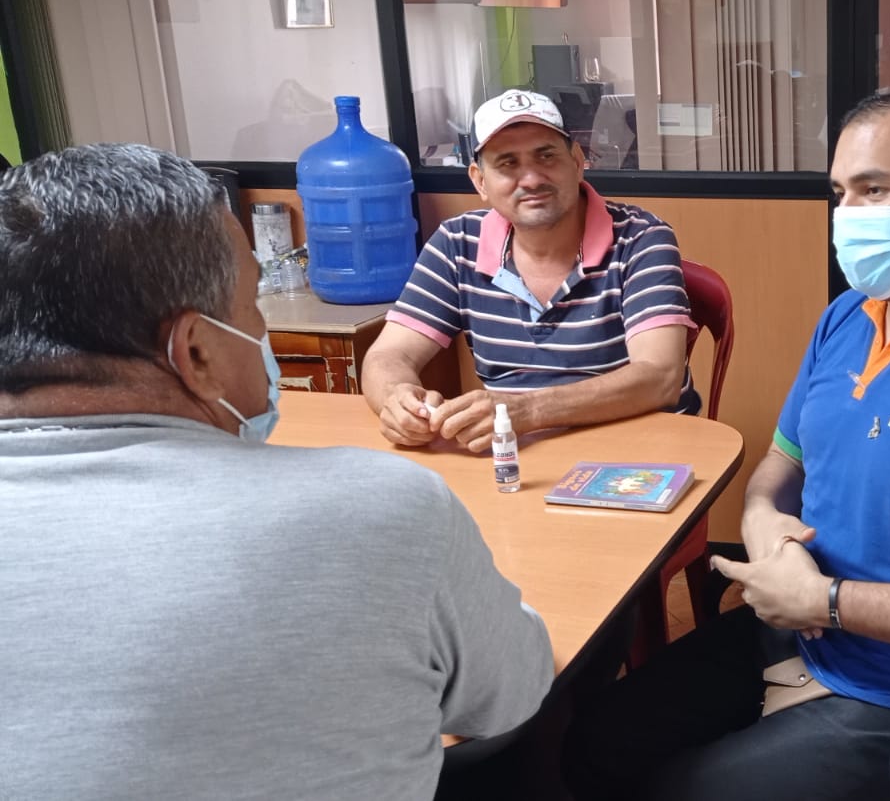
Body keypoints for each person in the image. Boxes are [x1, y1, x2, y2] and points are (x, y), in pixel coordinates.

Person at [563, 91, 890, 800]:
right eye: (839, 193)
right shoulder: (847, 318)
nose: (847, 215)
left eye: (873, 190)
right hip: (805, 633)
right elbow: (781, 465)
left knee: (679, 791)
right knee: (594, 740)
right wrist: (762, 520)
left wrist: (828, 601)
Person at [0, 144, 554, 800]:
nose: (261, 327)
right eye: (252, 304)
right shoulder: (381, 510)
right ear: (196, 352)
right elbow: (510, 694)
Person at [362, 89, 698, 452]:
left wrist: (528, 410)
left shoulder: (641, 238)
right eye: (507, 163)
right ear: (480, 181)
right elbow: (388, 356)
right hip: (517, 457)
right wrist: (397, 400)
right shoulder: (457, 244)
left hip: (638, 454)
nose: (532, 178)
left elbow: (660, 377)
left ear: (577, 161)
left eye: (546, 156)